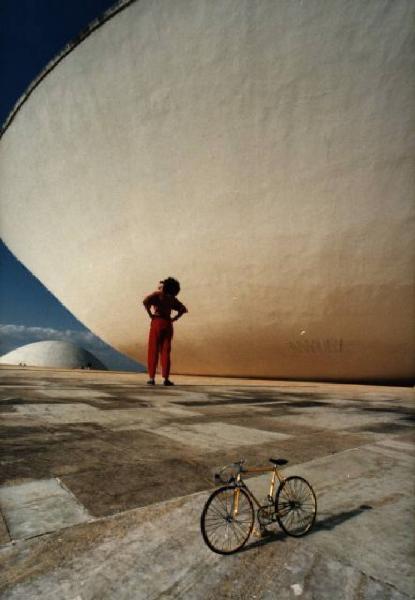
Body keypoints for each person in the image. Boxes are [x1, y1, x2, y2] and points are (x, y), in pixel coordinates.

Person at [142, 277, 188, 385]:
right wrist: (175, 318)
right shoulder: (172, 298)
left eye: (160, 286)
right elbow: (183, 309)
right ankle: (165, 379)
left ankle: (152, 378)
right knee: (165, 351)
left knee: (153, 350)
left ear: (164, 287)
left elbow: (145, 302)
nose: (159, 287)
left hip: (157, 322)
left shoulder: (157, 295)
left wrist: (150, 314)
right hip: (168, 323)